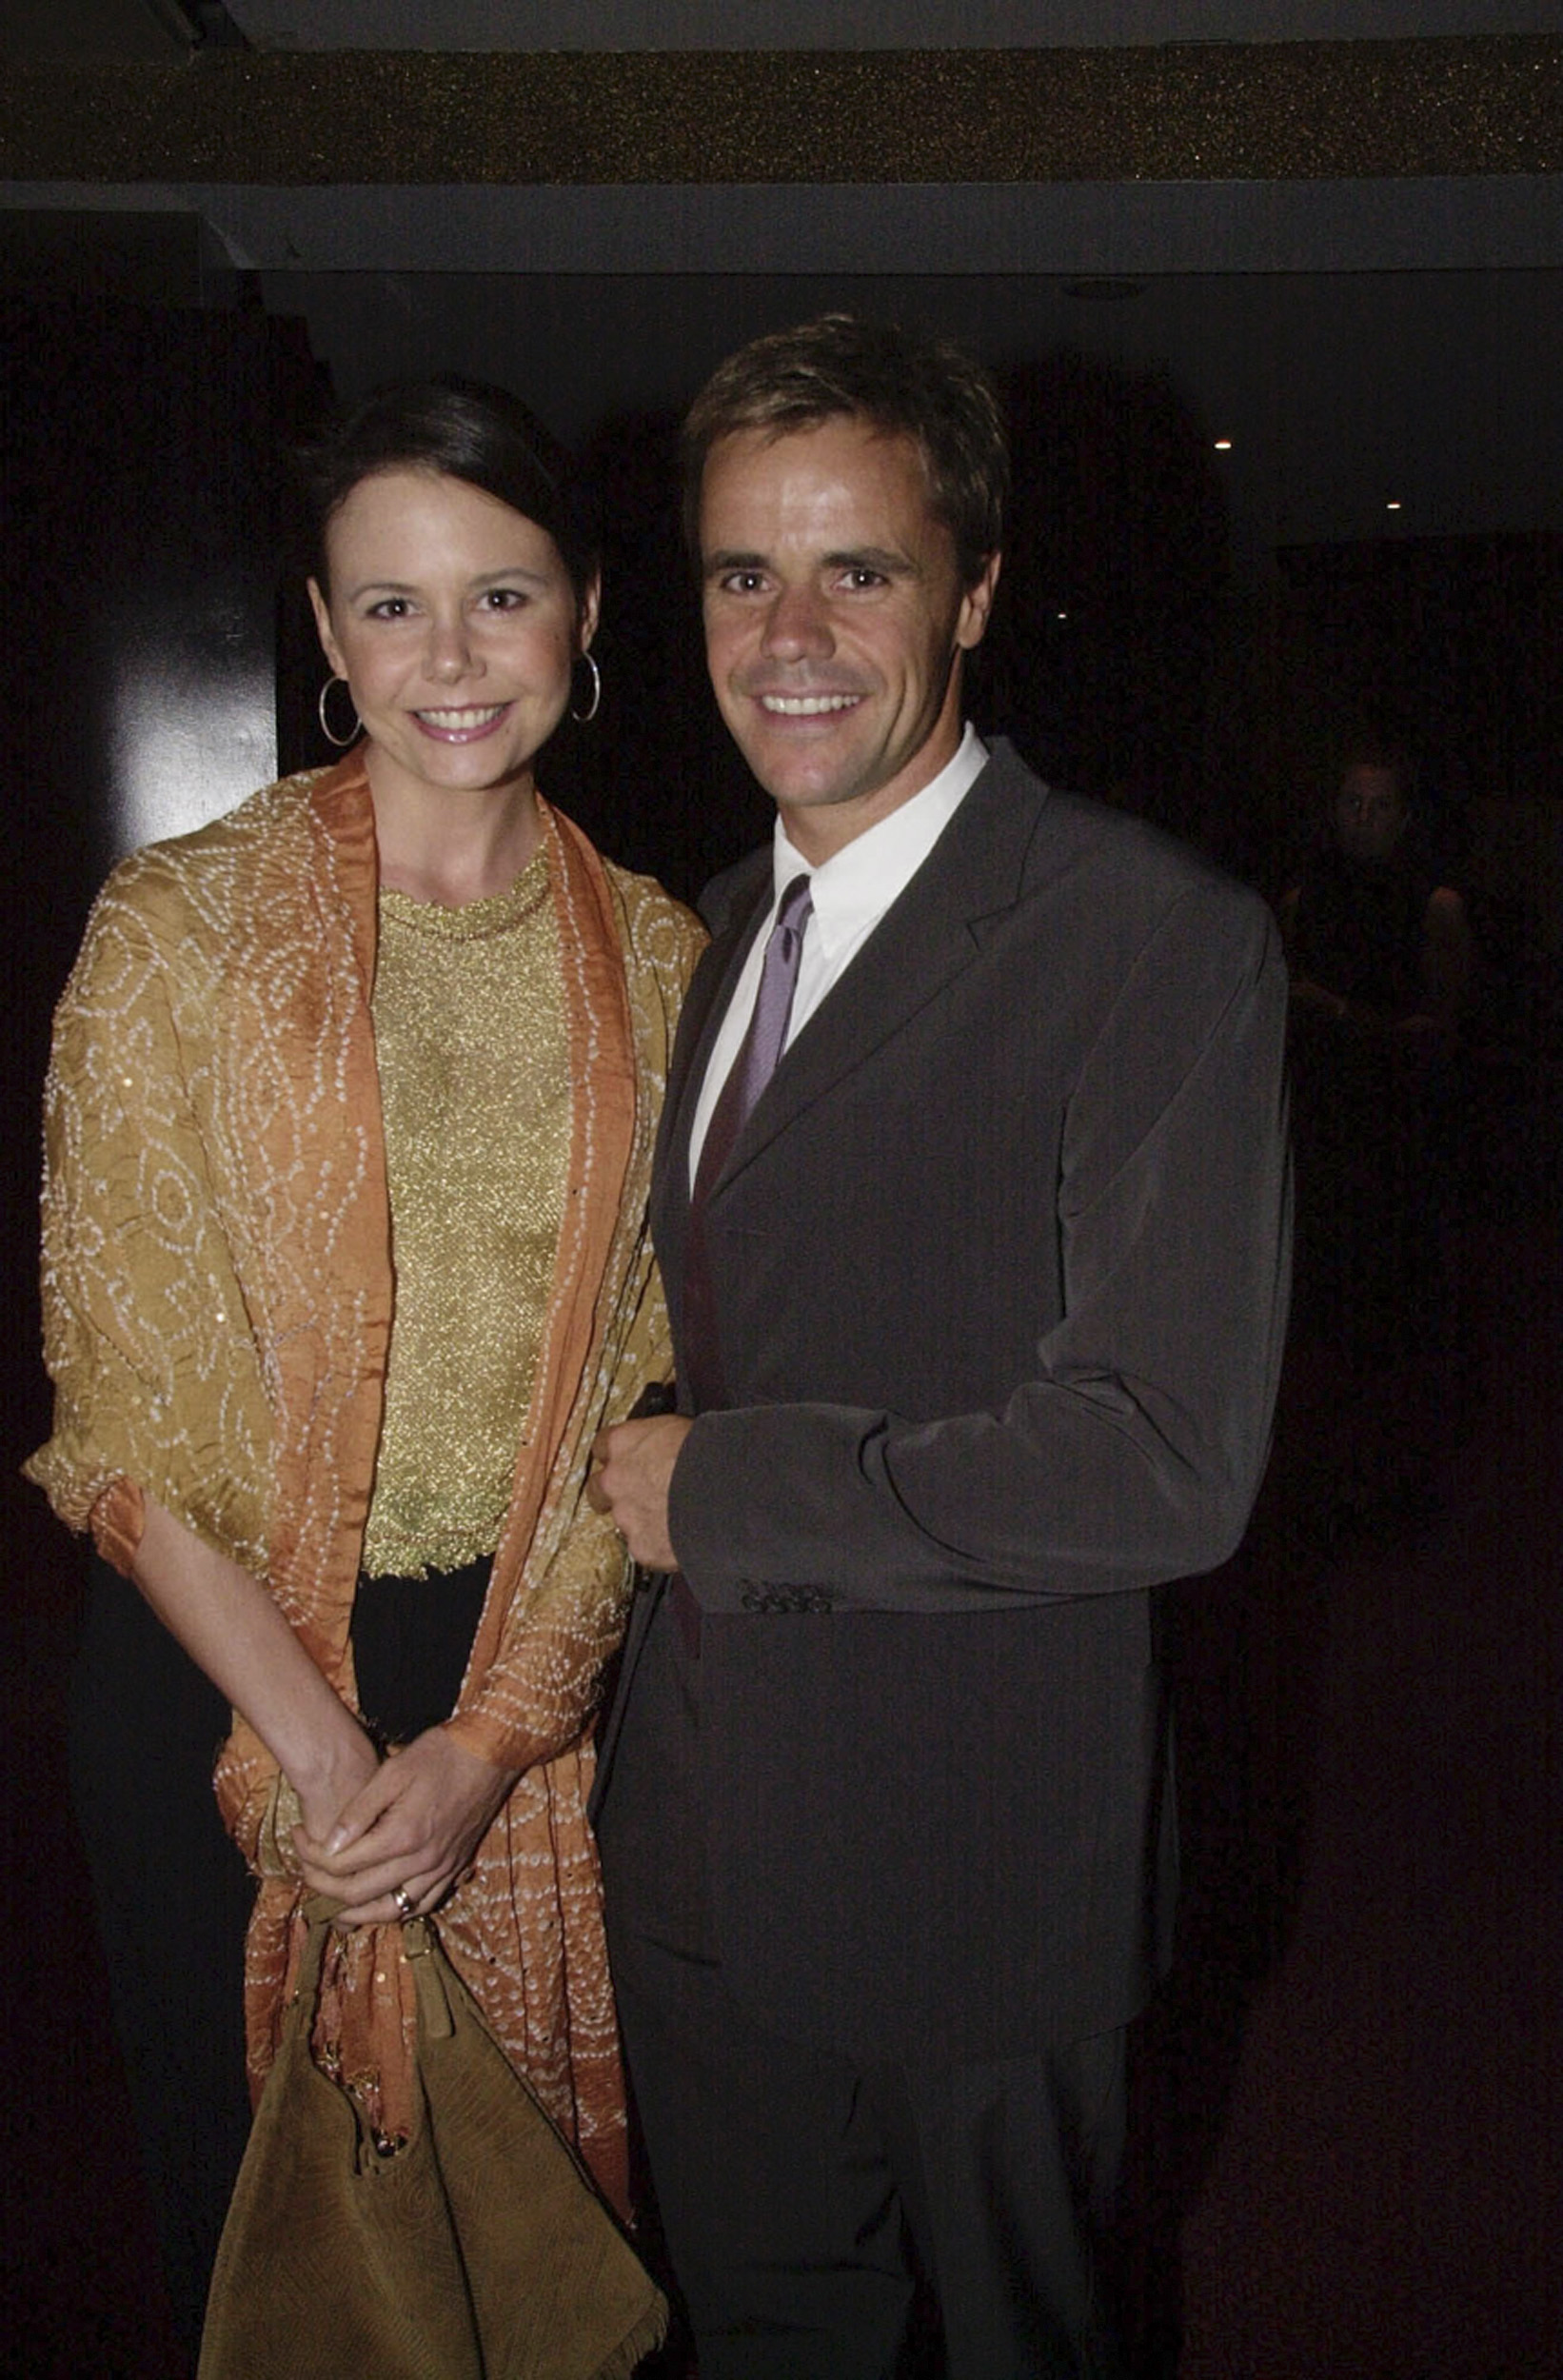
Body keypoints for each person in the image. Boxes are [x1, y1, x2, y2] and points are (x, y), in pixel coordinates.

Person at [587, 314, 1292, 2380]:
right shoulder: (717, 931)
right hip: (703, 1838)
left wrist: (721, 1489)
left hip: (972, 1852)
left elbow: (1165, 1450)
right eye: (740, 572)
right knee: (765, 2328)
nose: (788, 632)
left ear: (971, 591)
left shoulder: (1147, 933)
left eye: (858, 569)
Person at [26, 375, 702, 2362]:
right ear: (322, 637)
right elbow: (118, 1413)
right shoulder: (176, 925)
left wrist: (486, 1741)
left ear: (585, 612)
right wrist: (325, 1759)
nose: (451, 659)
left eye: (500, 596)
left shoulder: (664, 958)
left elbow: (651, 1400)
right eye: (389, 607)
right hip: (219, 1679)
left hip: (519, 1683)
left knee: (522, 2237)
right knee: (259, 2228)